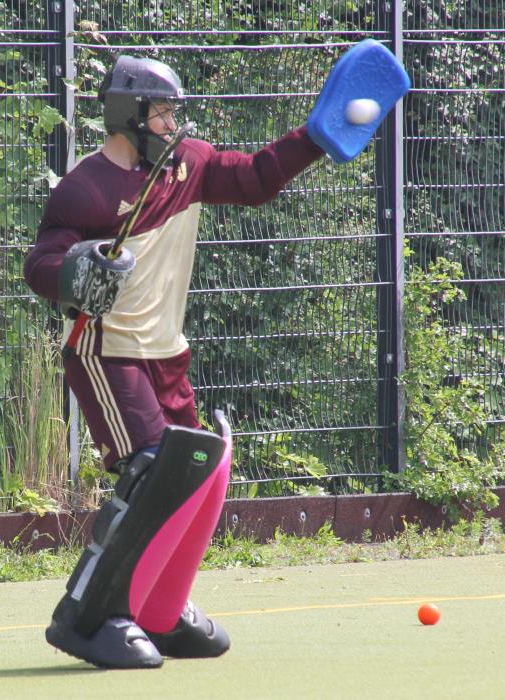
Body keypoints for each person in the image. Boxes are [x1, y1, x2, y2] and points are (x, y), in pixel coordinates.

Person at [24, 48, 395, 669]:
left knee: (192, 476)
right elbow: (40, 264)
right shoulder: (85, 188)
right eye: (162, 112)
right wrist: (74, 270)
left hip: (166, 352)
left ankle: (157, 610)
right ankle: (90, 619)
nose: (173, 123)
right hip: (107, 351)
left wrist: (314, 136)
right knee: (150, 472)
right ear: (130, 115)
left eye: (173, 113)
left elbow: (254, 178)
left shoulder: (186, 164)